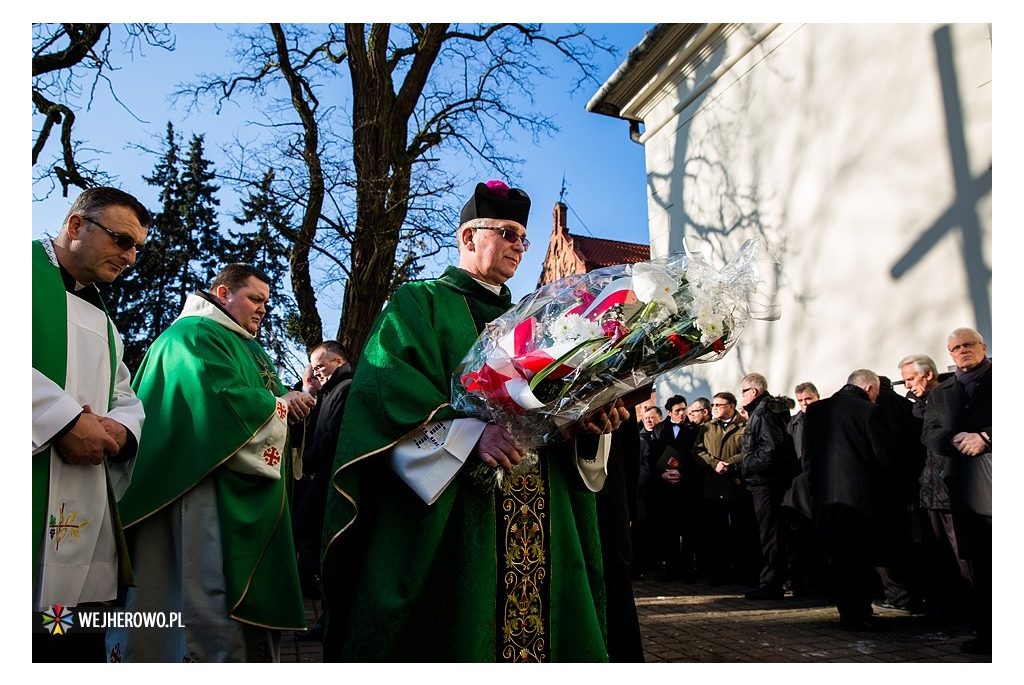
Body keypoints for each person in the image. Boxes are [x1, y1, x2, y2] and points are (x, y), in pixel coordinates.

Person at [319, 180, 628, 662]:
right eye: (507, 233)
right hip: (461, 517)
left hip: (546, 512)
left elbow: (558, 412)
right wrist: (469, 434)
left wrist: (588, 423)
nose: (518, 248)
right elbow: (384, 396)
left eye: (523, 239)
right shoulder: (418, 304)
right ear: (468, 237)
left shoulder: (543, 317)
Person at [105, 264, 314, 662]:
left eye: (266, 302)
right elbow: (219, 403)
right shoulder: (195, 334)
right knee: (194, 587)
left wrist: (285, 407)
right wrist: (280, 406)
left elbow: (255, 399)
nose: (262, 309)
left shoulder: (243, 343)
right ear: (223, 292)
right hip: (194, 485)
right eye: (254, 298)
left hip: (225, 478)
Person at [32, 187, 150, 662]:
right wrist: (61, 421)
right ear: (76, 226)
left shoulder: (104, 318)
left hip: (81, 498)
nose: (131, 257)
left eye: (138, 247)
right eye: (122, 240)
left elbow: (124, 393)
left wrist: (123, 430)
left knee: (65, 642)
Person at [804, 369, 899, 630]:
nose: (876, 398)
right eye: (876, 394)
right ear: (869, 388)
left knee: (837, 557)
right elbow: (884, 457)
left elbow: (808, 457)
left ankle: (847, 610)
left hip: (826, 497)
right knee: (859, 558)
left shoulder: (816, 411)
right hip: (861, 498)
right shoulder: (869, 411)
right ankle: (858, 612)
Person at [921, 327, 991, 655]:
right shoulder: (943, 391)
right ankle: (988, 632)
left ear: (983, 347)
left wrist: (987, 437)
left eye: (968, 345)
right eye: (955, 348)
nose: (962, 351)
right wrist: (952, 440)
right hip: (962, 489)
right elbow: (929, 432)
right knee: (979, 564)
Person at [900, 353, 971, 624]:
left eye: (910, 379)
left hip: (950, 489)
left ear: (928, 374)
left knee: (961, 553)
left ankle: (969, 610)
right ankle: (943, 608)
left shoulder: (951, 397)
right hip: (926, 492)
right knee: (935, 554)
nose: (907, 385)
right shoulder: (914, 407)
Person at [293, 341, 354, 640]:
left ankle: (330, 620)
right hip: (321, 475)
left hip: (330, 477)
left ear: (339, 361)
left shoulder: (346, 389)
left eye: (320, 365)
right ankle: (327, 619)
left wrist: (308, 462)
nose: (316, 372)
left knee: (315, 542)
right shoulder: (328, 391)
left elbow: (331, 436)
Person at [738, 373, 798, 600]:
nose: (741, 395)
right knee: (772, 533)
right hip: (766, 482)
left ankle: (771, 582)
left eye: (743, 391)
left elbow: (770, 448)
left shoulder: (763, 412)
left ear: (753, 391)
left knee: (771, 534)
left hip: (766, 483)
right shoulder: (764, 411)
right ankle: (772, 579)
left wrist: (747, 465)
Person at [693, 391, 759, 587]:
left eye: (719, 405)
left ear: (731, 406)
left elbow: (749, 450)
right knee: (716, 533)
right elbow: (697, 450)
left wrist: (729, 463)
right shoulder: (706, 428)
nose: (714, 408)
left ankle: (742, 573)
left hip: (736, 487)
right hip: (713, 487)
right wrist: (714, 464)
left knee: (740, 533)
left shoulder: (744, 426)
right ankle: (719, 574)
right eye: (713, 405)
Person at [650, 394, 702, 582]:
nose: (682, 413)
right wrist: (661, 474)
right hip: (665, 487)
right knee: (668, 528)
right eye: (678, 410)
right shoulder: (659, 429)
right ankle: (671, 567)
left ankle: (688, 568)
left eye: (684, 409)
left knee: (688, 528)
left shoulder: (694, 429)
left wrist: (684, 474)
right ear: (669, 412)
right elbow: (653, 456)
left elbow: (697, 455)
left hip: (686, 487)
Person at [782, 381, 822, 596]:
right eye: (801, 401)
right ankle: (801, 583)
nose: (805, 404)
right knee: (799, 538)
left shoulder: (827, 418)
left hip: (821, 483)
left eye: (809, 399)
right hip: (799, 486)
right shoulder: (793, 423)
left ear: (817, 396)